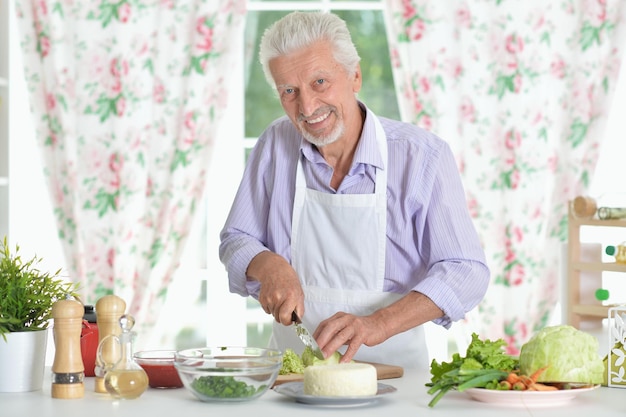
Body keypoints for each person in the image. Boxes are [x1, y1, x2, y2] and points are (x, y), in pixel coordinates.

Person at [219, 11, 489, 369]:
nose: (307, 107)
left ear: (355, 75)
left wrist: (379, 323)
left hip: (395, 379)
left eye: (319, 82)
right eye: (289, 91)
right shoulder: (274, 145)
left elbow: (466, 270)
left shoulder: (422, 156)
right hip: (292, 375)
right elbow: (236, 237)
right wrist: (267, 264)